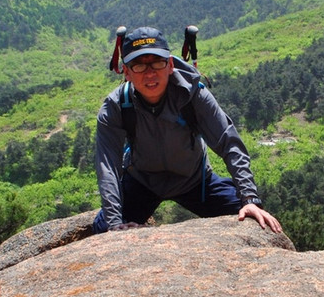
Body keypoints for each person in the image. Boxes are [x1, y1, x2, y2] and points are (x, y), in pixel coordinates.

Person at [93, 26, 282, 235]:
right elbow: (107, 166)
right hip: (142, 181)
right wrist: (113, 223)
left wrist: (250, 198)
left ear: (170, 65)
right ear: (126, 72)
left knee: (251, 219)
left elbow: (229, 143)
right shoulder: (116, 106)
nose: (149, 73)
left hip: (195, 181)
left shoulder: (193, 96)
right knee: (103, 228)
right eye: (138, 65)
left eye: (157, 63)